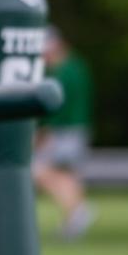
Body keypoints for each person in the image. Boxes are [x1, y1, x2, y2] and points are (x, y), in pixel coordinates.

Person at [34, 26, 94, 240]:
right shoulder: (76, 66)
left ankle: (78, 212)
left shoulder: (64, 73)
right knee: (66, 176)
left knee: (41, 171)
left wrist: (43, 135)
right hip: (76, 130)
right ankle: (74, 216)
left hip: (64, 132)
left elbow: (58, 109)